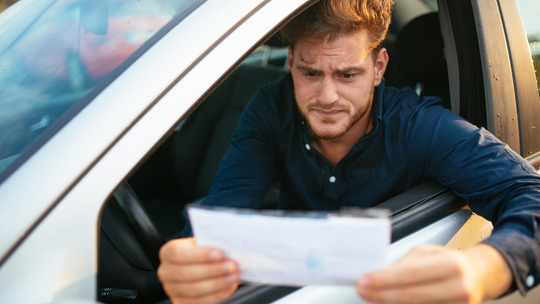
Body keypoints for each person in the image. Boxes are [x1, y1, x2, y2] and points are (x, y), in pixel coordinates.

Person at [157, 0, 540, 303]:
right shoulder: (271, 108)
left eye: (347, 75)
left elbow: (531, 195)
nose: (326, 97)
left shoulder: (420, 126)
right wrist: (194, 259)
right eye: (310, 73)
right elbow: (227, 203)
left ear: (378, 68)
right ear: (290, 63)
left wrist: (483, 270)